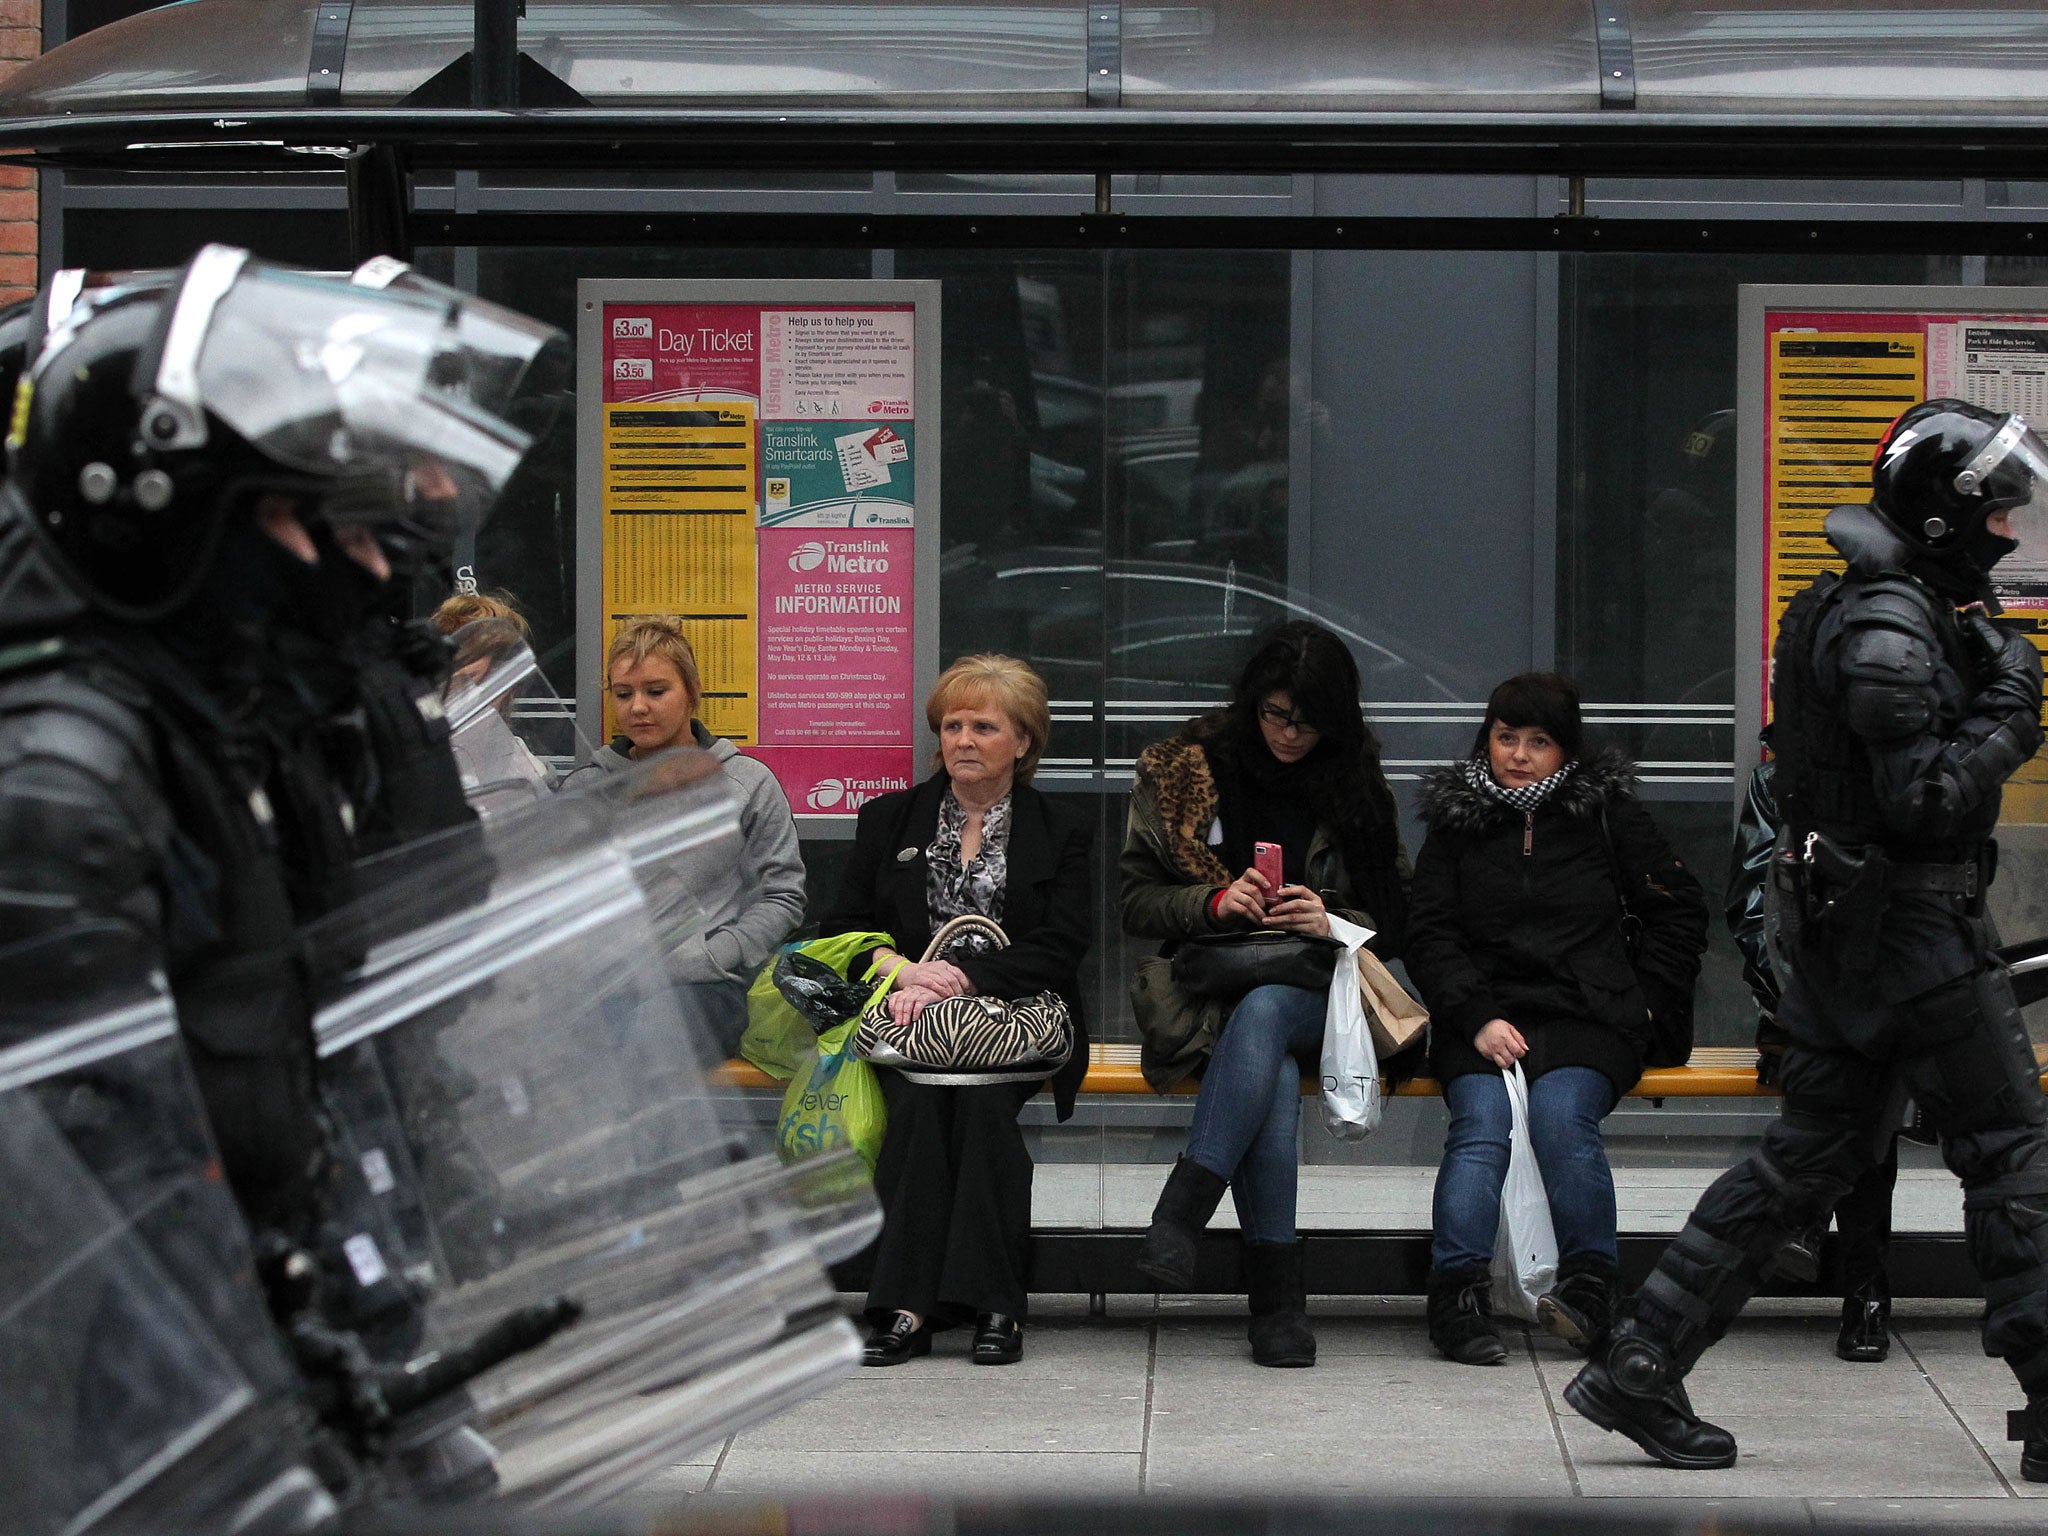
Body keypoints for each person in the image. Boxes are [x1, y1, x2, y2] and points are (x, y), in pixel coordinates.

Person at [0, 247, 565, 1495]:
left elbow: (290, 1043)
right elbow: (80, 1182)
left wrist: (348, 1307)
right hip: (143, 1407)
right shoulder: (67, 777)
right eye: (291, 520)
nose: (361, 563)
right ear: (156, 518)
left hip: (258, 1338)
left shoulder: (220, 737)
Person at [1566, 400, 2048, 1483]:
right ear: (1939, 518)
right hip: (1907, 935)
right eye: (1997, 515)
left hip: (1851, 937)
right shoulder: (1887, 620)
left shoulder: (1875, 601)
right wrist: (2012, 714)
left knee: (1807, 1160)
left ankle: (1638, 1363)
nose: (2008, 536)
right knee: (2013, 1153)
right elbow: (1922, 800)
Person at [1122, 621, 1410, 1368]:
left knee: (1272, 1010)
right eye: (1276, 715)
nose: (1288, 734)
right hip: (1210, 990)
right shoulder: (1186, 769)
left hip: (1326, 993)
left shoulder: (1354, 782)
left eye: (1307, 722)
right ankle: (1277, 1305)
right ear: (1254, 702)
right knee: (1269, 1063)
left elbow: (1399, 922)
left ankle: (1183, 1211)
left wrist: (1331, 919)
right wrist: (1214, 906)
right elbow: (1136, 904)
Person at [1405, 672, 1707, 1366]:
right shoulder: (1457, 822)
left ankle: (1591, 1292)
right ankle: (1456, 1297)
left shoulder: (1608, 816)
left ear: (1565, 752)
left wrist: (1648, 999)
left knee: (1559, 1118)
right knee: (1482, 1126)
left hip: (1588, 1014)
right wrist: (1477, 1015)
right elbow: (1429, 931)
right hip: (1482, 1017)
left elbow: (1679, 908)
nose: (1517, 754)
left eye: (1538, 742)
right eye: (1506, 737)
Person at [818, 654, 1092, 1367]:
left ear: (1024, 742)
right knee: (916, 1109)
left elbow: (1062, 945)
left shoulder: (1060, 827)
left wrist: (959, 980)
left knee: (978, 1109)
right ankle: (906, 1308)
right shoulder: (889, 819)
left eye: (984, 726)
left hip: (1014, 1025)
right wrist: (902, 970)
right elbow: (838, 933)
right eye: (952, 725)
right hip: (905, 1026)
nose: (963, 739)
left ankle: (994, 1303)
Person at [1727, 742, 1904, 1363]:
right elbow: (1751, 910)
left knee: (1866, 1082)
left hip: (1893, 1007)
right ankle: (1865, 1293)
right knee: (1861, 1091)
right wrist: (1808, 1002)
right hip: (1799, 1008)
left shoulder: (1912, 778)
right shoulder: (1780, 781)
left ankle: (1811, 1224)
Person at [564, 615, 805, 1055]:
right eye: (624, 694)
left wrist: (720, 952)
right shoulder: (587, 789)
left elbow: (783, 895)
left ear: (692, 694)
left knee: (651, 1045)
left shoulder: (747, 782)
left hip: (707, 986)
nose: (638, 707)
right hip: (607, 987)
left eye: (656, 691)